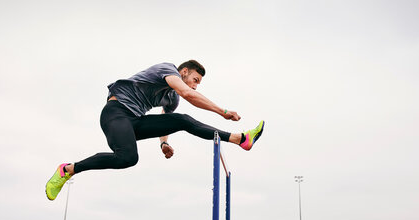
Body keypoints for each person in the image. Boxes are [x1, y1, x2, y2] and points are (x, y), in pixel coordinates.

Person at [45, 60, 264, 200]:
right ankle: (68, 169)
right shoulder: (167, 69)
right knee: (128, 158)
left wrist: (164, 143)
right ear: (184, 72)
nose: (195, 85)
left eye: (198, 83)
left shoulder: (172, 98)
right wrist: (221, 110)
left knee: (183, 120)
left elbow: (166, 120)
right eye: (194, 80)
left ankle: (239, 139)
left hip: (135, 121)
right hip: (116, 113)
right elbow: (189, 94)